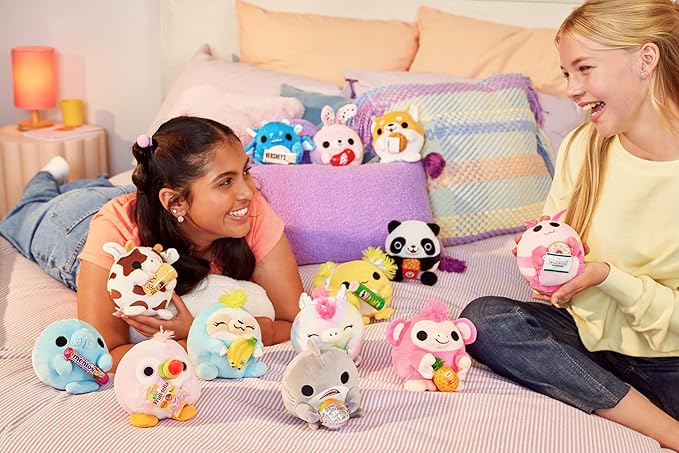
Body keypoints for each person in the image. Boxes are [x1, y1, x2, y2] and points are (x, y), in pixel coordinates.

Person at [461, 0, 679, 449]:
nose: (572, 90)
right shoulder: (582, 147)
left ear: (646, 59)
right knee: (485, 320)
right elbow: (562, 254)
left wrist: (607, 277)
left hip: (670, 359)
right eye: (566, 73)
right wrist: (544, 259)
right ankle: (667, 431)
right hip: (587, 338)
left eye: (584, 68)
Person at [0, 116, 303, 370]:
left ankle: (96, 182)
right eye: (225, 182)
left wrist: (199, 330)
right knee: (24, 214)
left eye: (245, 172)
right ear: (176, 201)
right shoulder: (113, 229)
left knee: (107, 188)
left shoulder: (250, 210)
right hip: (74, 225)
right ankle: (43, 181)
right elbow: (105, 353)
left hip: (152, 205)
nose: (248, 192)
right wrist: (208, 337)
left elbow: (295, 322)